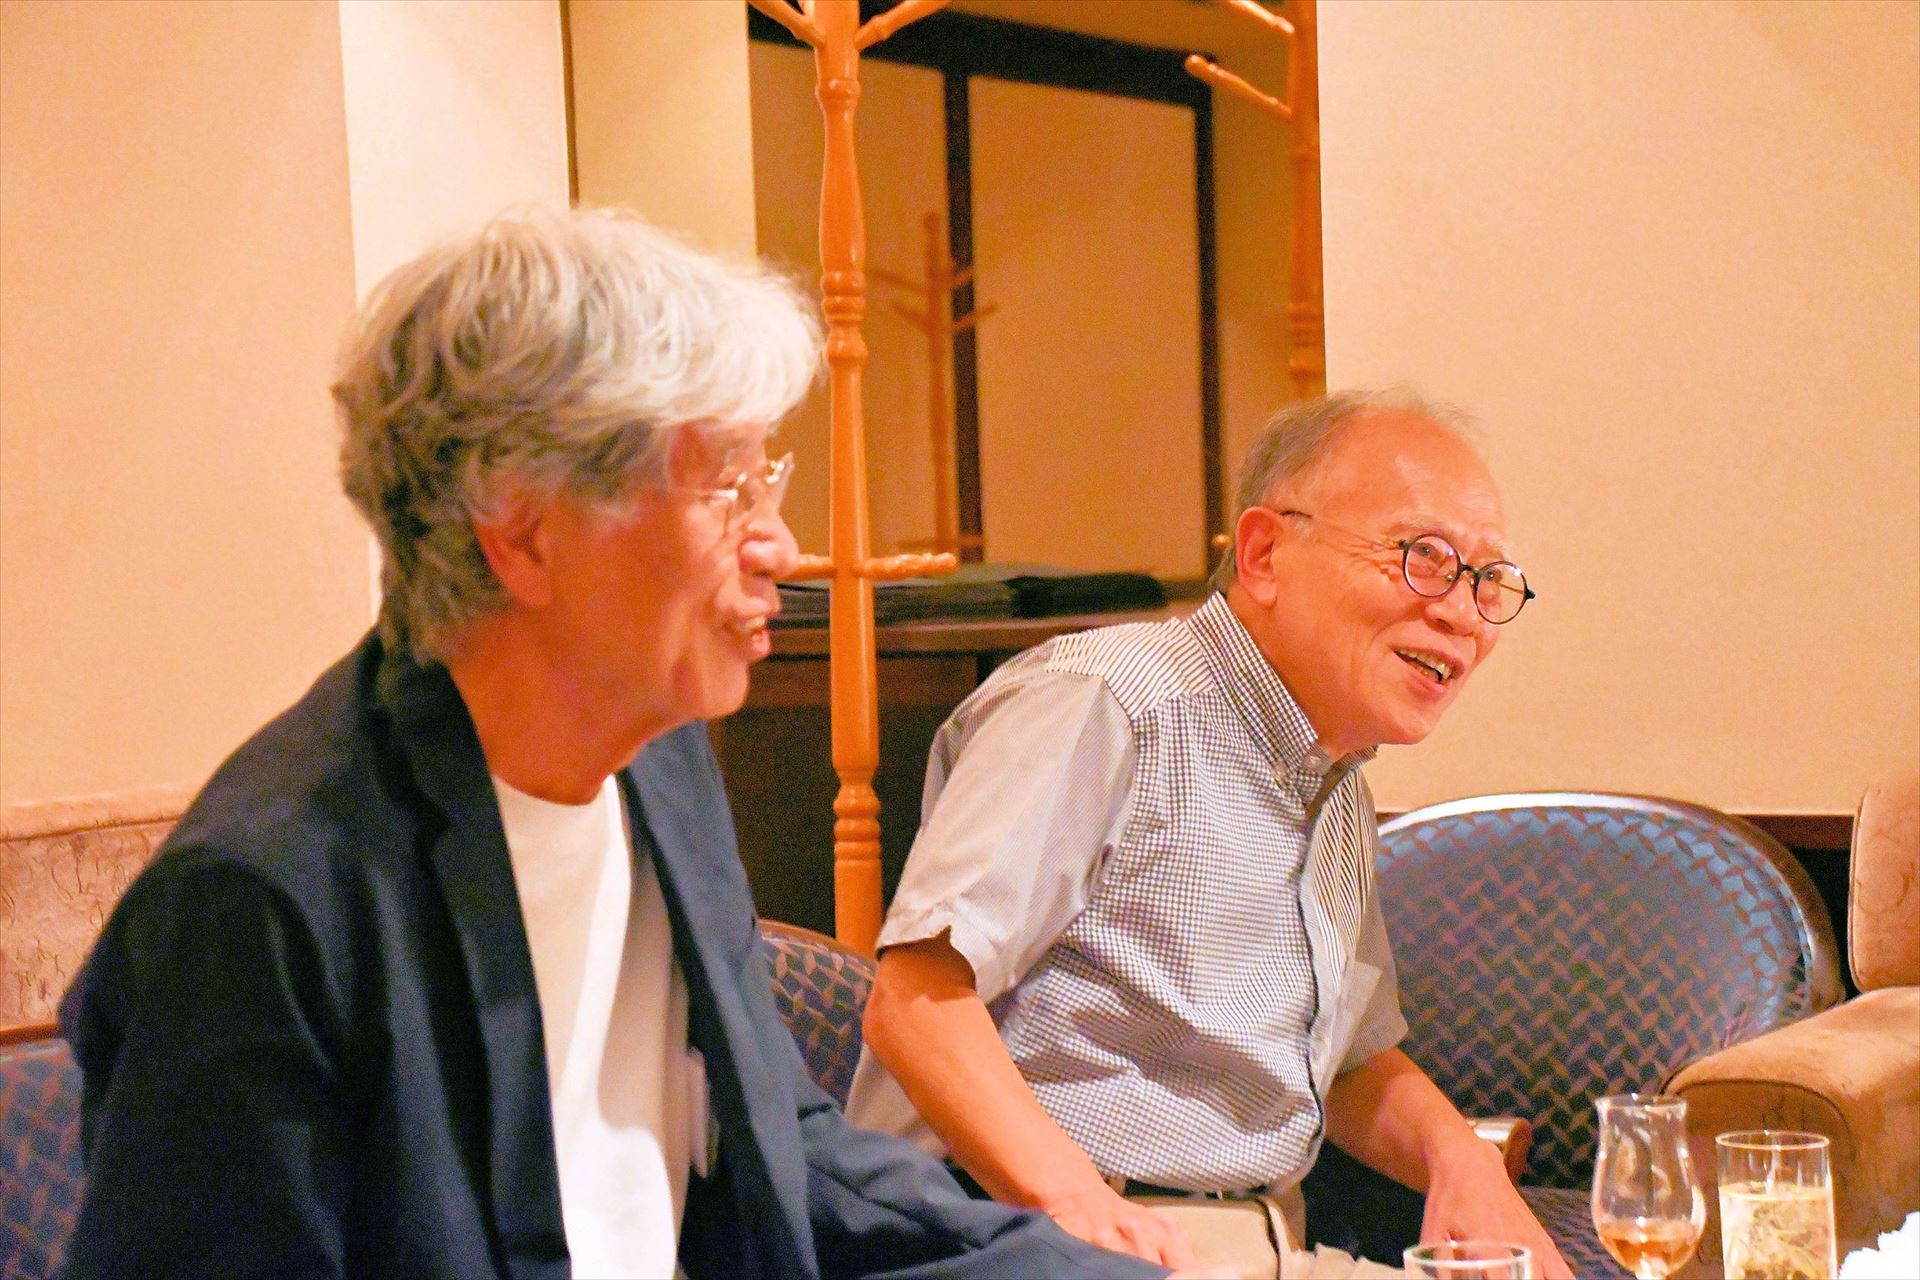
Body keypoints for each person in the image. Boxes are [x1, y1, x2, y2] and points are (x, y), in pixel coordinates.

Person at [58, 208, 1174, 1280]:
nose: (780, 546)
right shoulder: (262, 904)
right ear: (524, 535)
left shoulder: (656, 762)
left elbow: (776, 1154)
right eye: (725, 487)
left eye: (767, 481)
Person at [846, 391, 1573, 1278]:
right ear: (1264, 554)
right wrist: (1076, 1206)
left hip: (1264, 1246)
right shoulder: (1104, 703)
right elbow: (917, 1002)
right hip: (1030, 1239)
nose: (1462, 615)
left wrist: (1461, 1159)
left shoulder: (1333, 782)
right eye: (1423, 558)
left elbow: (1347, 1066)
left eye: (1487, 581)